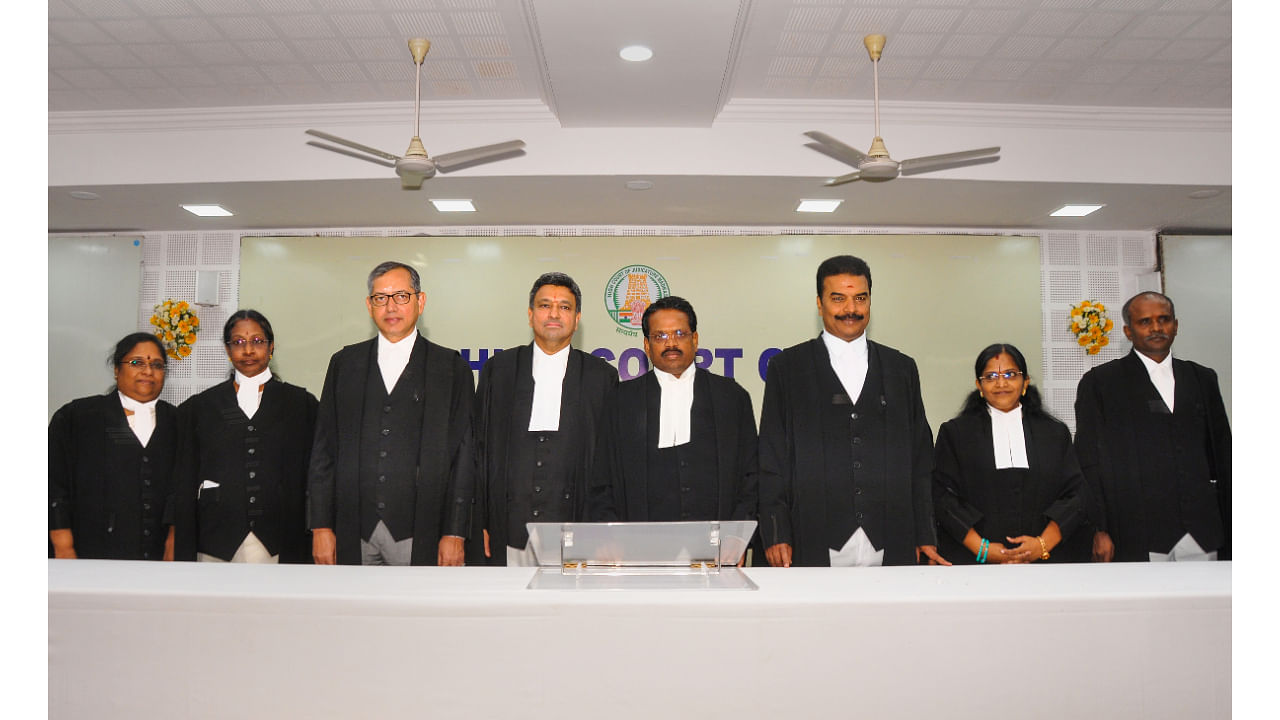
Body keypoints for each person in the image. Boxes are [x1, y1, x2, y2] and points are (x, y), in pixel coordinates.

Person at [758, 255, 946, 567]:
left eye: (860, 298)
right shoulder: (787, 369)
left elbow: (920, 460)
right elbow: (772, 458)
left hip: (892, 537)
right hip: (812, 537)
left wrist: (925, 533)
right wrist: (776, 531)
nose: (851, 309)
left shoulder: (901, 369)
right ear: (819, 304)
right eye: (838, 299)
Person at [307, 261, 475, 566]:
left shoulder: (450, 369)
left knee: (416, 613)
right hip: (352, 528)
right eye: (380, 298)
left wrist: (456, 532)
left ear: (420, 301)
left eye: (401, 296)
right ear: (369, 306)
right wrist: (320, 526)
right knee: (353, 612)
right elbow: (323, 451)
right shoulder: (345, 365)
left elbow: (464, 459)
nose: (391, 306)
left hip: (423, 528)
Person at [470, 272, 618, 566]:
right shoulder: (499, 371)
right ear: (530, 315)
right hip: (507, 531)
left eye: (564, 307)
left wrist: (604, 530)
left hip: (576, 534)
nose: (553, 313)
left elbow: (610, 464)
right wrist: (479, 523)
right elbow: (478, 451)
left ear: (577, 319)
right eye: (544, 305)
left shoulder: (600, 377)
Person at [1074, 291, 1230, 562]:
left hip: (1203, 532)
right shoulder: (1101, 383)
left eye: (1164, 319)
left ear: (1176, 326)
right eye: (1145, 321)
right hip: (1135, 534)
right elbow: (1089, 463)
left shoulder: (1202, 378)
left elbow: (1224, 455)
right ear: (1128, 331)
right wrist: (1098, 529)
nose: (1156, 328)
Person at [589, 296, 758, 525]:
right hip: (639, 548)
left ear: (695, 339)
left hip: (717, 548)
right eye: (660, 336)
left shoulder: (731, 397)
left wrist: (737, 535)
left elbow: (752, 477)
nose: (671, 344)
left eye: (680, 334)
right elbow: (602, 482)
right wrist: (612, 537)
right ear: (647, 345)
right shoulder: (620, 401)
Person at [170, 310, 318, 563]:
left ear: (271, 348)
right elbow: (183, 479)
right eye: (238, 342)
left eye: (257, 341)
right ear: (228, 351)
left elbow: (317, 473)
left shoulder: (301, 405)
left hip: (281, 537)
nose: (248, 350)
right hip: (217, 538)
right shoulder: (199, 408)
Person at [932, 344, 1087, 564]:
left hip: (1047, 561)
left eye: (1010, 375)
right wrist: (982, 549)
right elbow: (942, 497)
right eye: (991, 376)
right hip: (973, 562)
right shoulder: (955, 433)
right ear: (979, 385)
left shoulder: (1054, 433)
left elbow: (1077, 494)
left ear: (1025, 383)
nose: (1001, 383)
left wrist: (1041, 545)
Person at [49, 332, 179, 561]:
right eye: (137, 363)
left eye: (157, 365)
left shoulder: (177, 421)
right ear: (117, 370)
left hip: (159, 559)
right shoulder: (78, 417)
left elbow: (182, 490)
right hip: (88, 553)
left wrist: (174, 540)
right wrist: (63, 545)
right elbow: (53, 482)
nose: (148, 371)